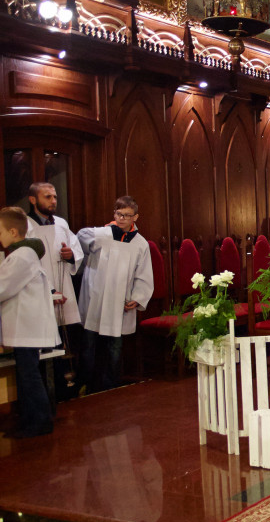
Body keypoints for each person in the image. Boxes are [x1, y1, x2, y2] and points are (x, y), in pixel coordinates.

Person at [77, 196, 155, 393]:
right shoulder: (101, 234)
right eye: (119, 214)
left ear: (135, 217)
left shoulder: (140, 244)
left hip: (120, 302)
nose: (122, 218)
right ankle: (84, 384)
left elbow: (144, 274)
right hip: (96, 297)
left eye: (127, 215)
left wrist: (137, 298)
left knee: (115, 346)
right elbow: (79, 238)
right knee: (88, 344)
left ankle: (110, 384)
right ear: (114, 214)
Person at [0, 207, 60, 438]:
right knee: (25, 374)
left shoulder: (22, 256)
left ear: (13, 232)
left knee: (29, 375)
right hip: (24, 327)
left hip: (26, 327)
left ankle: (41, 421)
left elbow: (3, 287)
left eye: (1, 231)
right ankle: (29, 419)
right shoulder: (22, 254)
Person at [25, 182, 84, 328]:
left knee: (64, 333)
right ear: (33, 200)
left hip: (63, 286)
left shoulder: (61, 223)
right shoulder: (25, 226)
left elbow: (76, 249)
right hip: (39, 289)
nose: (53, 201)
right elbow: (27, 263)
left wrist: (71, 255)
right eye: (48, 197)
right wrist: (49, 290)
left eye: (55, 197)